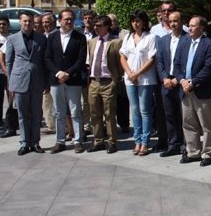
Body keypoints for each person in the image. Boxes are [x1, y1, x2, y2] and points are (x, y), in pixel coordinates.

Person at [173, 16, 211, 165]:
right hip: (185, 90)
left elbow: (209, 67)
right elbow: (177, 64)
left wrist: (193, 82)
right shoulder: (183, 42)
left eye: (193, 26)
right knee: (188, 123)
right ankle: (193, 152)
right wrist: (182, 81)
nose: (189, 28)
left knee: (206, 125)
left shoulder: (209, 44)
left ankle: (207, 154)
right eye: (189, 25)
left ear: (202, 28)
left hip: (202, 91)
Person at [45, 9, 88, 154]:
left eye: (71, 19)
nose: (69, 22)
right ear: (60, 21)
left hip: (73, 80)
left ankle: (78, 141)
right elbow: (47, 58)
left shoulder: (79, 37)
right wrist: (58, 72)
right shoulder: (52, 37)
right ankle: (60, 141)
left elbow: (81, 59)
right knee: (59, 112)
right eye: (66, 19)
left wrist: (68, 73)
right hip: (56, 80)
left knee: (76, 112)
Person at [5, 12, 47, 155]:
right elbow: (9, 62)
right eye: (25, 21)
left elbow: (44, 61)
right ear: (20, 22)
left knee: (36, 113)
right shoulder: (12, 39)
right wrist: (10, 83)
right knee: (22, 114)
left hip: (37, 80)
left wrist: (45, 82)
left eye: (30, 21)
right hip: (19, 80)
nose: (27, 24)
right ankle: (24, 143)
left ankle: (35, 142)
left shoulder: (41, 38)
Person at [119, 10, 158, 156]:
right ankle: (137, 141)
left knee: (145, 110)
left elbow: (152, 59)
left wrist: (138, 73)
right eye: (133, 21)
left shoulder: (150, 37)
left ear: (144, 22)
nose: (135, 23)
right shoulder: (128, 37)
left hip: (145, 79)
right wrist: (130, 73)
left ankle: (145, 142)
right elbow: (123, 57)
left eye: (138, 21)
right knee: (134, 110)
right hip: (129, 79)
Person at [86, 15, 122, 154]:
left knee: (109, 114)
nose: (96, 28)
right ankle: (98, 141)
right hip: (94, 81)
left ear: (107, 26)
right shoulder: (92, 42)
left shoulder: (116, 42)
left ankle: (112, 141)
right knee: (94, 113)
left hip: (108, 82)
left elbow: (120, 64)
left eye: (99, 25)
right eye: (95, 25)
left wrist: (116, 81)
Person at [155, 11, 187, 157]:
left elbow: (189, 62)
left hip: (181, 82)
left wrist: (178, 79)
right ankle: (173, 144)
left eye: (176, 21)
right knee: (170, 115)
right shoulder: (162, 40)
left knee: (185, 115)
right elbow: (159, 61)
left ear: (181, 22)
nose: (173, 24)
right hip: (166, 83)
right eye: (171, 21)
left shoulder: (188, 39)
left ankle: (186, 145)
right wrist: (164, 78)